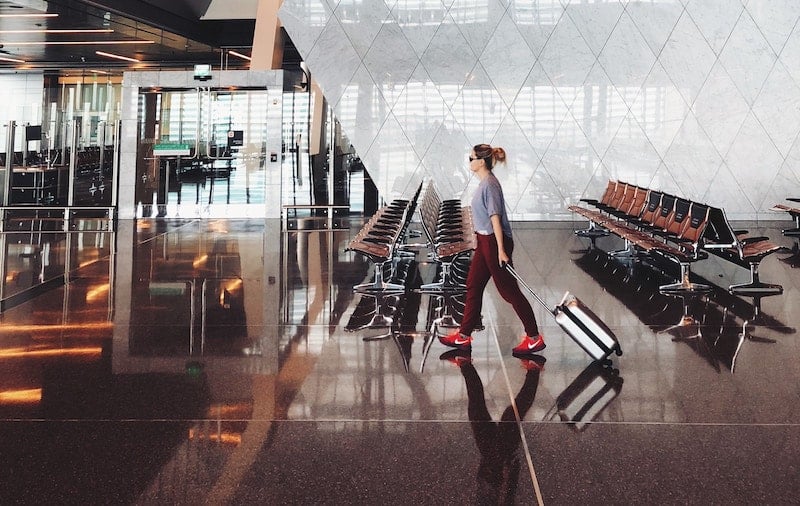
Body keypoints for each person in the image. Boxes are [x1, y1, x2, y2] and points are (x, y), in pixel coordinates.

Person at [439, 143, 546, 357]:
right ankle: (464, 335)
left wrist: (501, 250)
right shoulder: (484, 184)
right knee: (473, 285)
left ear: (481, 161)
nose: (469, 162)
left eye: (471, 158)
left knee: (509, 291)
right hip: (484, 241)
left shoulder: (490, 185)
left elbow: (494, 218)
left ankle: (534, 337)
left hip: (494, 243)